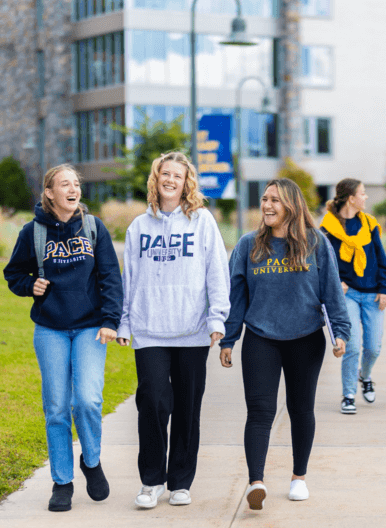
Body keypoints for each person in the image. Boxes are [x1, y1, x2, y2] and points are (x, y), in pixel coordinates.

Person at [219, 178, 350, 510]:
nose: (267, 205)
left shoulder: (316, 243)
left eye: (275, 200)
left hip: (305, 338)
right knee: (260, 411)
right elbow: (237, 298)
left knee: (301, 408)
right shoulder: (249, 245)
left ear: (292, 205)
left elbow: (331, 293)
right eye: (264, 199)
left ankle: (298, 478)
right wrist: (229, 338)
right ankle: (256, 482)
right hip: (261, 338)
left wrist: (340, 333)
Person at [3, 164, 123, 512]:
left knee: (87, 400)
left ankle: (91, 461)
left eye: (76, 184)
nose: (73, 189)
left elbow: (111, 277)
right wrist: (31, 285)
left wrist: (111, 320)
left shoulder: (92, 227)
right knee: (56, 407)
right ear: (50, 193)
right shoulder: (33, 232)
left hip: (90, 327)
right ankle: (62, 482)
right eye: (64, 184)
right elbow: (13, 274)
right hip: (50, 329)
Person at [115, 151, 230, 509]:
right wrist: (124, 321)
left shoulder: (203, 222)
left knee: (186, 408)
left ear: (186, 183)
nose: (170, 180)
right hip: (150, 330)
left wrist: (217, 319)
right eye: (165, 174)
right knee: (151, 402)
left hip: (193, 330)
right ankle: (151, 481)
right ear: (156, 179)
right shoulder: (139, 227)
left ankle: (180, 481)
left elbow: (216, 271)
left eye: (177, 176)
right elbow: (128, 278)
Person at [320, 178, 386, 414]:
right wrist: (335, 281)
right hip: (347, 294)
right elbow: (322, 264)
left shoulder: (369, 225)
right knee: (351, 346)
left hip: (372, 294)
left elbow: (381, 259)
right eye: (363, 193)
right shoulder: (327, 230)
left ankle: (366, 375)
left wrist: (385, 289)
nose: (366, 197)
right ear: (351, 198)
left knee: (373, 347)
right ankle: (349, 394)